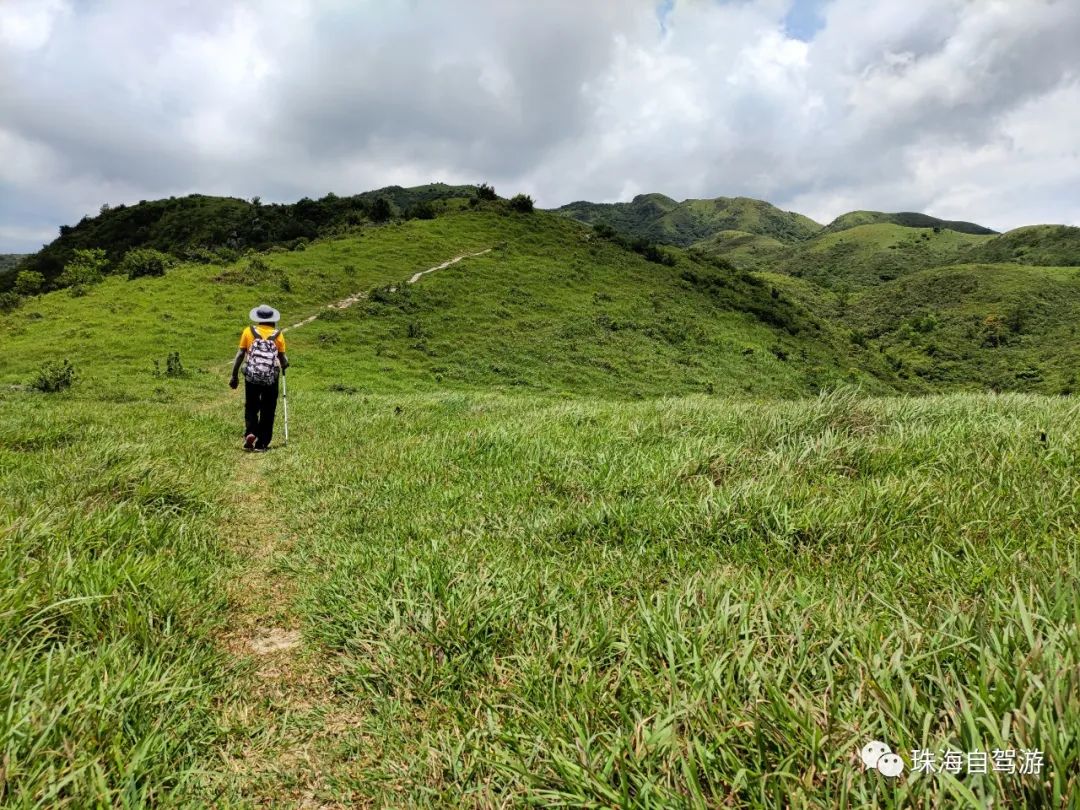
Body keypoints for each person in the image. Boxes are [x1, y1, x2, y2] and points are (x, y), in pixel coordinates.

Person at [229, 304, 289, 452]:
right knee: (268, 409)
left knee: (251, 406)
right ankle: (262, 443)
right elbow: (283, 359)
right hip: (270, 379)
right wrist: (285, 364)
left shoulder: (248, 332)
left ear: (258, 319)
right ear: (273, 320)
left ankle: (250, 433)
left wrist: (234, 375)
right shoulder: (278, 335)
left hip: (252, 378)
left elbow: (240, 355)